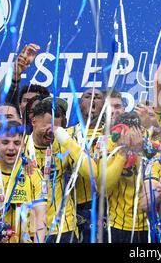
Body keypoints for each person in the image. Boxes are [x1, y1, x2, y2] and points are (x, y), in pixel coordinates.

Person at [24, 97, 97, 243]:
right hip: (30, 229)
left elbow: (92, 173)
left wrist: (67, 140)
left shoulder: (63, 145)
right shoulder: (20, 146)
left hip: (63, 229)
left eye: (56, 129)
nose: (52, 133)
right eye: (48, 127)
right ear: (34, 122)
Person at [98, 112, 149, 243]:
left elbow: (149, 183)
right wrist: (122, 153)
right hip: (117, 225)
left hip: (148, 225)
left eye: (133, 136)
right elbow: (103, 188)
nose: (129, 140)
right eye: (125, 136)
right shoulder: (109, 146)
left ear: (141, 132)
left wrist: (139, 152)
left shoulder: (149, 147)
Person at [67, 87, 105, 243]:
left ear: (104, 106)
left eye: (98, 97)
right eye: (88, 96)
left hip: (109, 208)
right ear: (80, 104)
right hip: (78, 208)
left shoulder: (112, 134)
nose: (93, 99)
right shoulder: (66, 135)